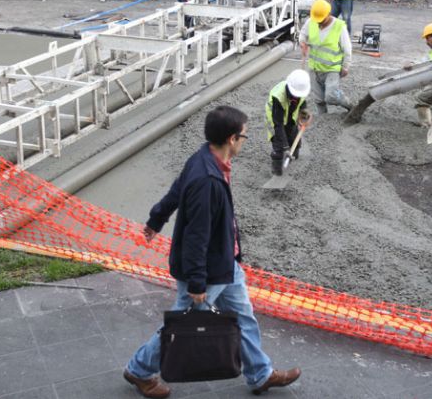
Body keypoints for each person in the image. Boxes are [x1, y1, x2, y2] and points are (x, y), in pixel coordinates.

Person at [124, 106, 301, 398]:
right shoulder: (207, 180)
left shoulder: (204, 157)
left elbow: (175, 191)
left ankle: (260, 374)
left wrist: (156, 219)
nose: (245, 140)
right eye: (244, 135)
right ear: (232, 138)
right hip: (209, 271)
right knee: (181, 324)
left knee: (243, 317)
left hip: (225, 263)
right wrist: (196, 283)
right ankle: (139, 370)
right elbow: (197, 236)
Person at [300, 0, 353, 114]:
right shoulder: (311, 21)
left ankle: (349, 105)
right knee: (319, 100)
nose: (318, 22)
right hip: (315, 68)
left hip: (332, 69)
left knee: (330, 96)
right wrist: (303, 42)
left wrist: (346, 66)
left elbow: (347, 49)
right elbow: (303, 34)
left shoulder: (339, 27)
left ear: (328, 14)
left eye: (321, 20)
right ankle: (323, 118)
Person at [266, 70, 313, 176]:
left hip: (290, 118)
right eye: (295, 95)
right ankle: (277, 172)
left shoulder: (300, 90)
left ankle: (292, 163)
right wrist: (285, 148)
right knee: (279, 147)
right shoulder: (278, 98)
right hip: (275, 121)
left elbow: (302, 103)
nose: (297, 97)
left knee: (295, 140)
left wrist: (304, 113)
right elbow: (278, 125)